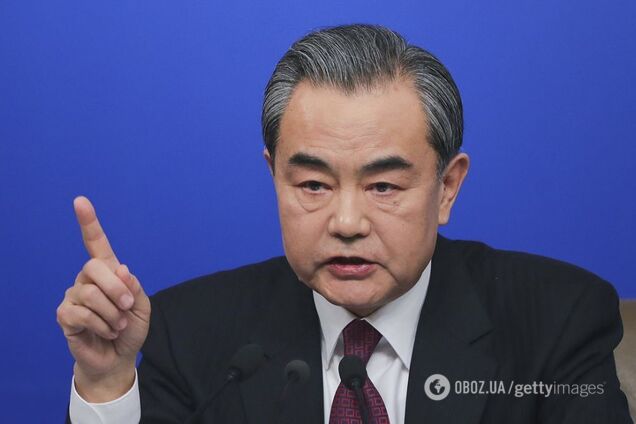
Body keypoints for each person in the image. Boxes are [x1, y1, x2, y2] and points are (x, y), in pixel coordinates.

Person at [57, 24, 632, 423]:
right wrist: (107, 384)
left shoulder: (556, 320)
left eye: (384, 186)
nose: (348, 222)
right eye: (313, 185)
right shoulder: (188, 332)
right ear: (274, 176)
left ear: (447, 188)